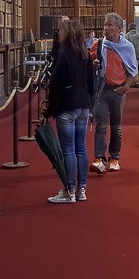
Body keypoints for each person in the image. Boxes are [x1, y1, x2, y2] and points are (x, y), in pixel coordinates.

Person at [45, 17, 95, 203]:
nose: (58, 33)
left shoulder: (64, 53)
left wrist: (49, 109)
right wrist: (91, 105)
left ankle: (69, 191)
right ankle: (82, 190)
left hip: (67, 104)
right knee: (81, 148)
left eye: (61, 30)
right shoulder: (85, 53)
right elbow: (91, 83)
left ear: (68, 33)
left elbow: (55, 83)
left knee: (68, 150)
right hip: (83, 105)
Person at [90, 12, 138, 173]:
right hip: (102, 90)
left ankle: (115, 157)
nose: (106, 28)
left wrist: (125, 88)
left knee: (116, 126)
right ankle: (99, 158)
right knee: (101, 124)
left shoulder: (127, 47)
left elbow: (133, 72)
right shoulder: (98, 44)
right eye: (105, 24)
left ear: (119, 28)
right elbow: (89, 65)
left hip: (118, 90)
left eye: (110, 25)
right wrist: (94, 64)